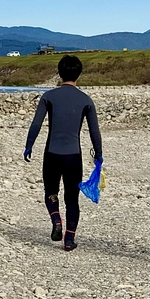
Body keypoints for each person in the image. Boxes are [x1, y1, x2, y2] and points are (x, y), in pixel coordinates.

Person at [24, 55, 102, 251]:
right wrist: (98, 154)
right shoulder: (86, 100)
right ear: (79, 74)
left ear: (59, 73)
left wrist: (29, 145)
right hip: (73, 156)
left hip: (52, 154)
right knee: (72, 198)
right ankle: (69, 239)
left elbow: (36, 124)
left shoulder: (48, 96)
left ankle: (56, 219)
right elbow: (94, 131)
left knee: (51, 191)